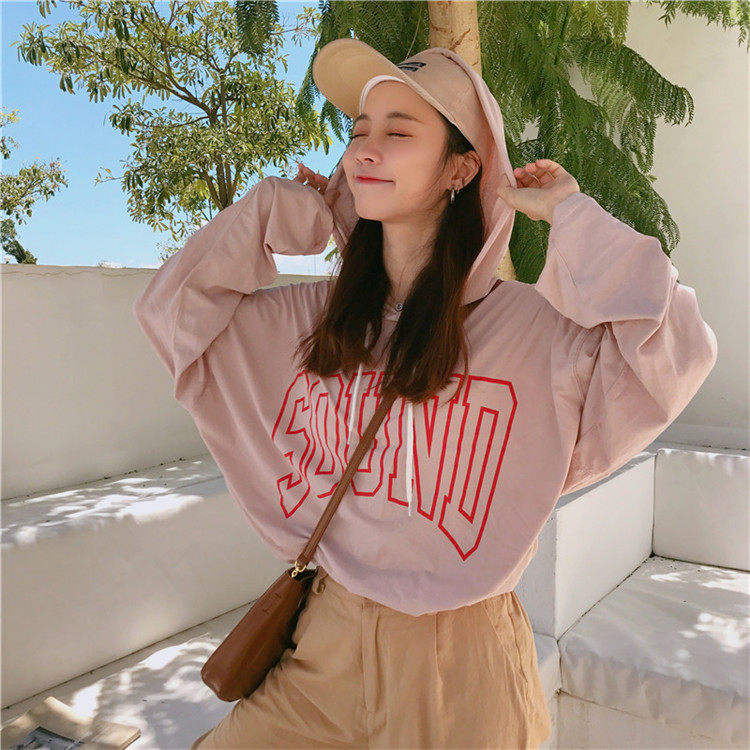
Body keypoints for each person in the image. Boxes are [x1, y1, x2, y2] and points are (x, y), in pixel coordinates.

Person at [132, 38, 718, 749]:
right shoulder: (316, 319)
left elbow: (677, 349)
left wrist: (571, 216)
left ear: (460, 168)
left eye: (399, 132)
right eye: (358, 132)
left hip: (459, 671)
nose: (365, 150)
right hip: (322, 647)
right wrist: (271, 215)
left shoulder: (533, 331)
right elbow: (172, 314)